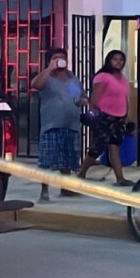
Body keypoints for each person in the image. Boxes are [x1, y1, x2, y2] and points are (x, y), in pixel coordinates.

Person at [31, 47, 86, 201]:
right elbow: (36, 85)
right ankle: (44, 191)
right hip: (51, 125)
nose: (61, 60)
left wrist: (82, 101)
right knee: (46, 160)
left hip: (71, 124)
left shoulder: (72, 78)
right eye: (56, 58)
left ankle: (66, 188)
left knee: (68, 159)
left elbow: (79, 96)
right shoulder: (46, 77)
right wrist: (50, 68)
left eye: (62, 58)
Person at [77, 50, 134, 186]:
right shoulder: (103, 77)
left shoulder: (123, 78)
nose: (118, 62)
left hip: (119, 117)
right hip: (104, 116)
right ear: (109, 60)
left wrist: (127, 115)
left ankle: (120, 178)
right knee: (98, 146)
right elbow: (95, 99)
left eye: (121, 59)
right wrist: (96, 115)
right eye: (115, 59)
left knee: (115, 146)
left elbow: (125, 97)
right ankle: (82, 173)